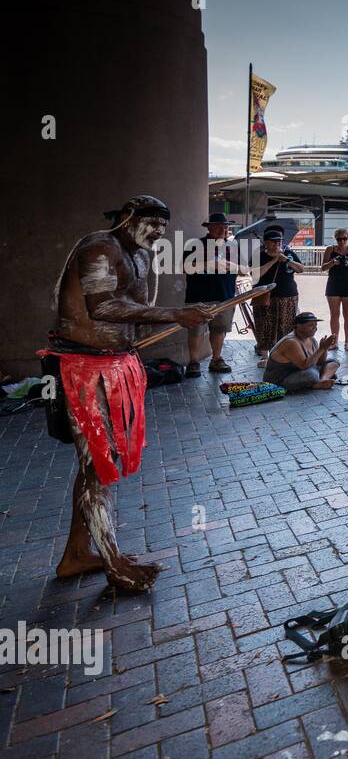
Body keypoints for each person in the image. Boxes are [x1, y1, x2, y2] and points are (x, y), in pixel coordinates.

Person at [49, 196, 212, 592]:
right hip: (83, 368)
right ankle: (113, 563)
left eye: (162, 225)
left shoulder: (138, 257)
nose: (157, 231)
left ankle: (77, 554)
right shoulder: (99, 247)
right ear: (126, 218)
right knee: (97, 465)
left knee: (98, 464)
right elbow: (103, 306)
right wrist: (176, 314)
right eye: (150, 222)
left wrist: (169, 319)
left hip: (115, 365)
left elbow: (135, 313)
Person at [183, 212, 249, 376]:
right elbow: (185, 267)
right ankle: (193, 362)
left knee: (219, 330)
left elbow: (244, 270)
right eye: (219, 226)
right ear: (209, 227)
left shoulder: (233, 246)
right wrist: (210, 263)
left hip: (224, 296)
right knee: (196, 330)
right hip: (197, 296)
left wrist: (229, 265)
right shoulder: (195, 245)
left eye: (226, 226)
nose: (223, 229)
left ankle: (216, 359)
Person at [252, 226, 305, 367]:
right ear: (266, 243)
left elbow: (301, 269)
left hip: (288, 296)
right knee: (264, 325)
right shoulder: (259, 255)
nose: (277, 245)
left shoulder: (288, 253)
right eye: (274, 242)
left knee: (286, 326)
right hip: (264, 296)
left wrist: (287, 260)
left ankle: (284, 355)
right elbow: (255, 275)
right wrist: (274, 261)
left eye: (279, 242)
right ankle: (265, 356)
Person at [263, 312, 342, 392]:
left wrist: (325, 348)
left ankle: (322, 380)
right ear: (298, 326)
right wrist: (321, 349)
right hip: (279, 380)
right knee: (311, 374)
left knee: (334, 362)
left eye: (315, 325)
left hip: (299, 371)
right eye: (311, 325)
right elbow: (304, 365)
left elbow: (320, 362)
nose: (315, 328)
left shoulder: (311, 339)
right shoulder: (291, 342)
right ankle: (317, 381)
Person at [322, 228, 348, 352]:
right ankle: (334, 341)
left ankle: (347, 341)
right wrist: (333, 262)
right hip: (333, 283)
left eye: (344, 238)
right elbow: (323, 267)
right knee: (334, 314)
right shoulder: (330, 249)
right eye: (339, 239)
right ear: (335, 239)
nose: (342, 241)